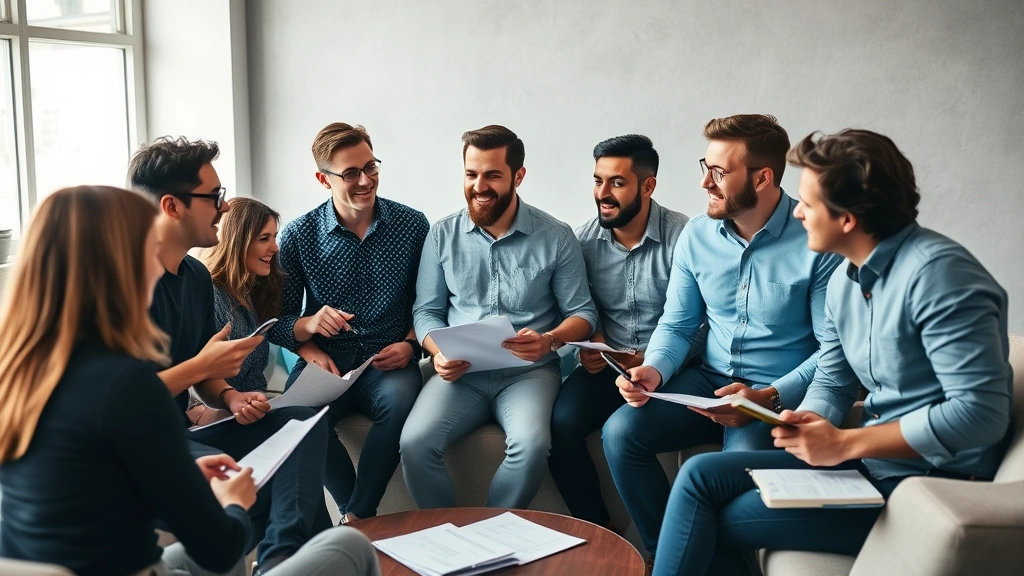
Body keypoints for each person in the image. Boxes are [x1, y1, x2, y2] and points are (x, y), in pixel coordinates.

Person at [651, 129, 1013, 576]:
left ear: (847, 218)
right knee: (701, 475)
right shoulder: (847, 279)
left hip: (927, 487)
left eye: (808, 203)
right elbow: (835, 379)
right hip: (868, 464)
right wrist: (814, 421)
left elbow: (981, 414)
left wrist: (846, 442)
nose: (797, 213)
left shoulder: (942, 279)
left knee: (710, 520)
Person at [0, 186, 380, 576]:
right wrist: (230, 499)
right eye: (149, 248)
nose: (157, 265)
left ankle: (281, 559)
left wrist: (179, 473)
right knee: (350, 544)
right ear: (117, 265)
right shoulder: (123, 383)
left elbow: (82, 484)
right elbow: (219, 548)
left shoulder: (19, 370)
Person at [603, 115, 843, 564]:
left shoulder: (815, 241)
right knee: (619, 434)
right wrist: (652, 371)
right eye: (704, 166)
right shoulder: (696, 235)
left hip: (771, 394)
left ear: (762, 177)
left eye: (718, 173)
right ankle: (666, 556)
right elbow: (677, 325)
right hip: (706, 381)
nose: (703, 183)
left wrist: (767, 398)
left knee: (731, 474)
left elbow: (832, 350)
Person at [128, 137, 332, 574]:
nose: (223, 207)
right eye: (214, 196)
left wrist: (231, 397)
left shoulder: (196, 276)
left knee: (303, 419)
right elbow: (122, 398)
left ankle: (278, 559)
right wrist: (204, 368)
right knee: (274, 491)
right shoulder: (126, 283)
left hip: (182, 435)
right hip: (140, 445)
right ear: (171, 206)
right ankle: (293, 560)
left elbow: (206, 377)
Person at [402, 124, 599, 509]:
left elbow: (583, 313)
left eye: (493, 174)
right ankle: (446, 538)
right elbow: (426, 312)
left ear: (518, 176)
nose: (479, 185)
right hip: (460, 375)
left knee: (533, 445)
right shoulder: (442, 234)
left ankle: (493, 534)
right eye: (471, 173)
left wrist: (549, 341)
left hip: (529, 373)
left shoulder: (556, 236)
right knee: (413, 444)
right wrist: (437, 352)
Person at [269, 123, 429, 523]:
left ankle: (357, 516)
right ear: (323, 179)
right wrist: (308, 345)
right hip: (326, 360)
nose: (365, 181)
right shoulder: (299, 235)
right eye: (351, 173)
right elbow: (279, 319)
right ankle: (355, 513)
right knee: (293, 418)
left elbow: (429, 303)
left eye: (370, 167)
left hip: (389, 358)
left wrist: (411, 345)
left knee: (398, 408)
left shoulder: (413, 226)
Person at [549, 134, 691, 529]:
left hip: (676, 367)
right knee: (559, 424)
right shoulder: (580, 241)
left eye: (617, 182)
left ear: (648, 185)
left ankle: (665, 546)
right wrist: (590, 344)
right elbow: (580, 309)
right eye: (598, 181)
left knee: (625, 433)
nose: (603, 194)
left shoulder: (685, 238)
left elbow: (701, 321)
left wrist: (653, 357)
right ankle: (599, 530)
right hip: (608, 368)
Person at [202, 197, 285, 395]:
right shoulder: (209, 296)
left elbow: (254, 377)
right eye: (264, 238)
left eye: (274, 237)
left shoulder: (252, 294)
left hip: (247, 406)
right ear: (238, 242)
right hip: (219, 408)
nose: (275, 247)